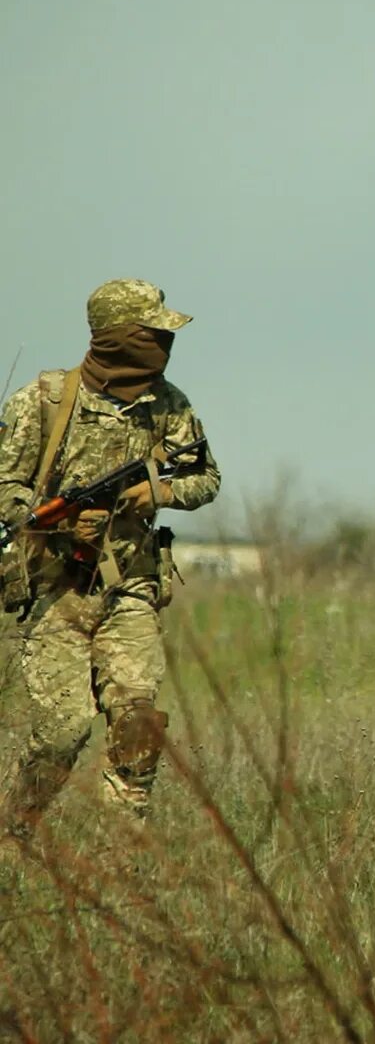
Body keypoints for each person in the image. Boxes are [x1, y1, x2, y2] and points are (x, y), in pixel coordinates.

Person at [0, 279, 220, 845]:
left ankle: (122, 857)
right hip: (56, 592)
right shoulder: (45, 399)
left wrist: (160, 494)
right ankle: (11, 832)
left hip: (133, 589)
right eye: (152, 333)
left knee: (139, 723)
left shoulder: (169, 405)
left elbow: (205, 478)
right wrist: (59, 521)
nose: (164, 345)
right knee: (60, 734)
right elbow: (4, 484)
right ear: (120, 336)